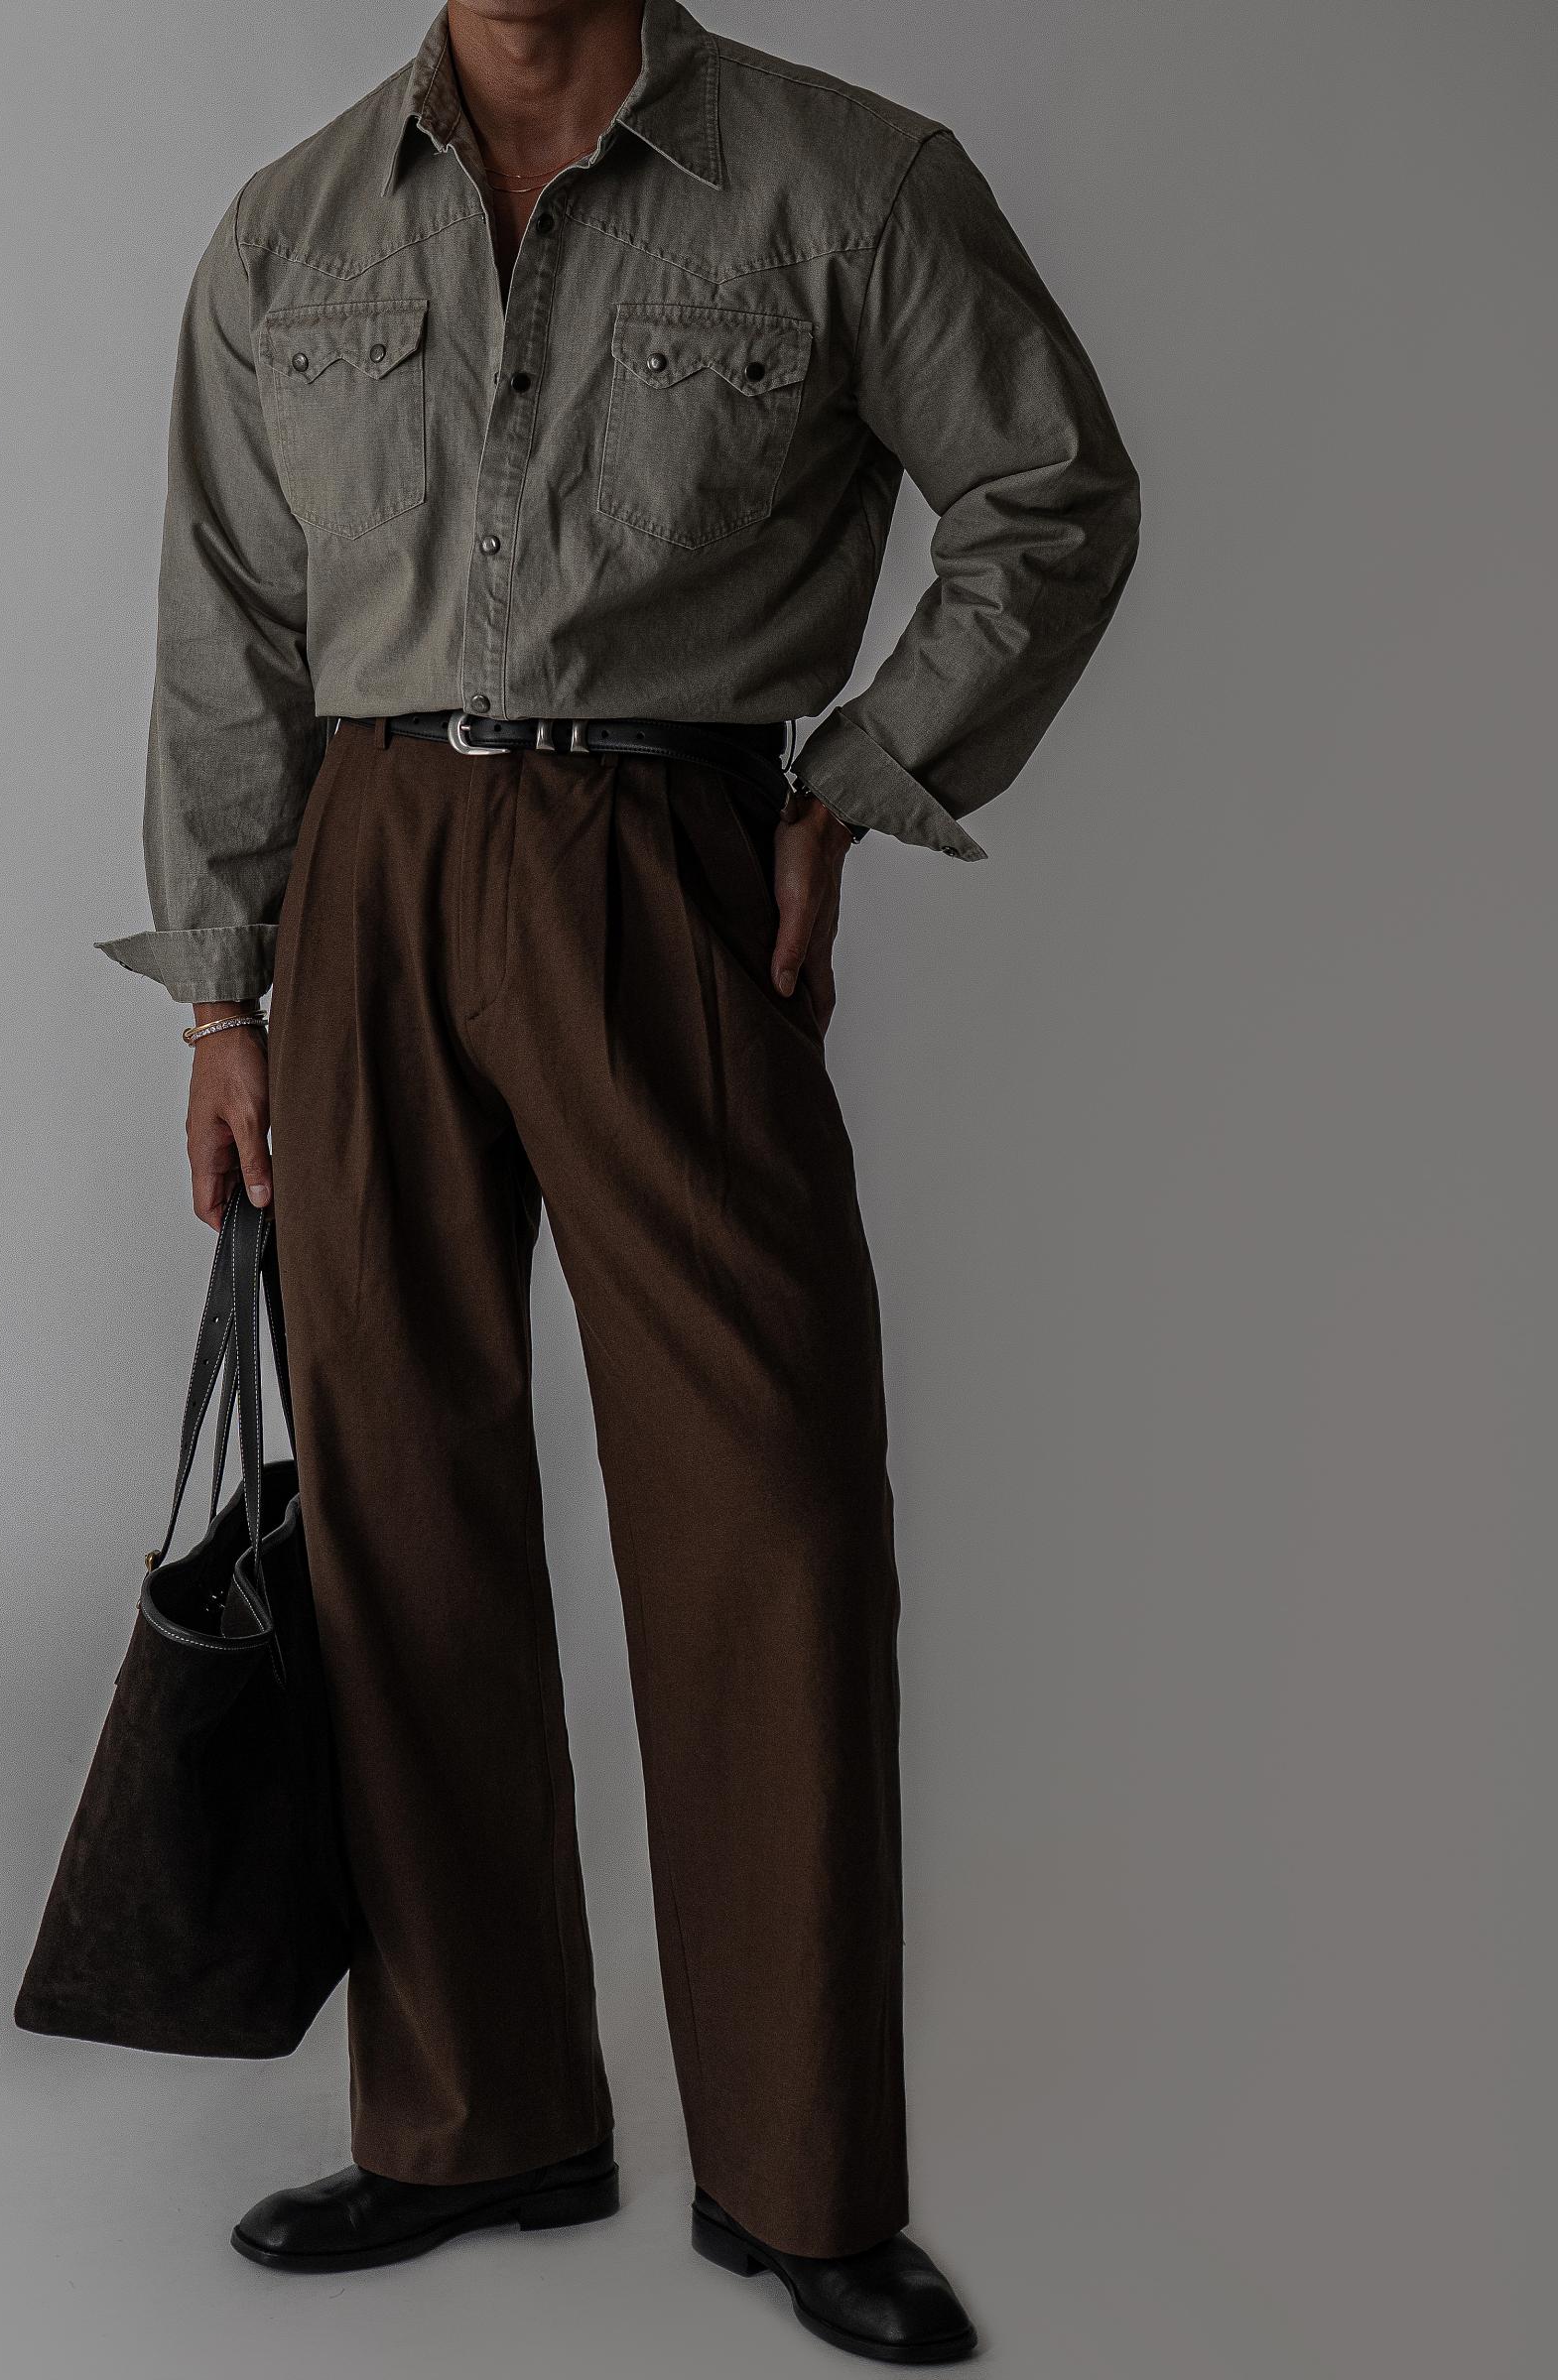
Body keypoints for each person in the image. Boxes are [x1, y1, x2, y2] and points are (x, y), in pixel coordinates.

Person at [98, 0, 1138, 2360]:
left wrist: (856, 783)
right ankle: (475, 2123)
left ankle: (802, 2177)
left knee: (768, 1515)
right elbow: (225, 624)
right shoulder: (289, 228)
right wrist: (223, 998)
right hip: (367, 867)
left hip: (670, 853)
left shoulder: (849, 180)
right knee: (398, 1511)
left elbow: (1053, 492)